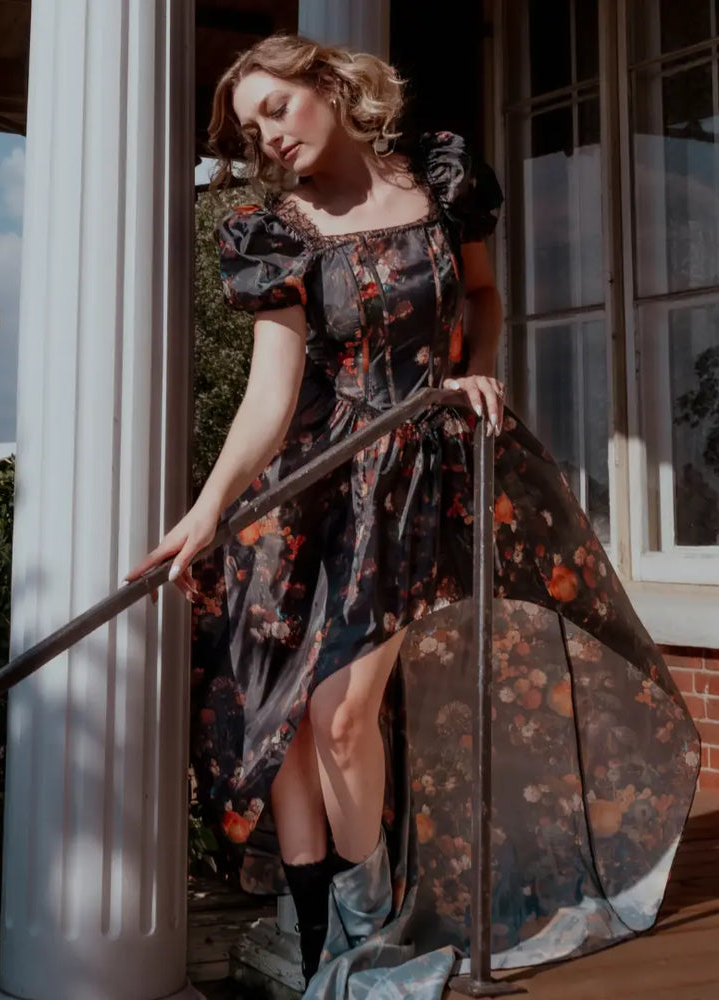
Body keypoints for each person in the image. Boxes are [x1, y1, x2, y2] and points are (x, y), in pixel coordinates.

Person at [128, 34, 698, 1000]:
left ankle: (376, 945)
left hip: (411, 476)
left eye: (277, 107)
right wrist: (208, 507)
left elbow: (481, 293)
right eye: (250, 126)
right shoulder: (279, 234)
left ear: (330, 85)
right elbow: (270, 397)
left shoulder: (439, 178)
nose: (267, 136)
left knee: (343, 715)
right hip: (308, 486)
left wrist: (475, 367)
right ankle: (327, 960)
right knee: (287, 727)